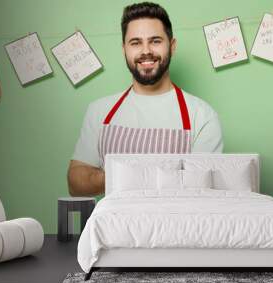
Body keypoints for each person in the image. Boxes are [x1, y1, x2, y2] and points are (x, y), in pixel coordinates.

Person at [68, 2, 223, 196]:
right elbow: (76, 185)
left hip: (177, 225)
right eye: (135, 43)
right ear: (124, 48)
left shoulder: (202, 115)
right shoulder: (99, 111)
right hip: (113, 225)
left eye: (155, 41)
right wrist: (135, 174)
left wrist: (129, 173)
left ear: (172, 46)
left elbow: (200, 190)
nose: (146, 51)